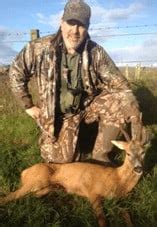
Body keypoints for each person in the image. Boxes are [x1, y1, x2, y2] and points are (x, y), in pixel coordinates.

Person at [9, 0, 143, 163]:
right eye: (71, 23)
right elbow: (16, 71)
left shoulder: (95, 52)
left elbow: (122, 87)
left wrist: (136, 134)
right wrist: (28, 105)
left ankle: (100, 157)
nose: (75, 31)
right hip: (58, 116)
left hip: (86, 107)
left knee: (122, 100)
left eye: (81, 25)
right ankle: (71, 138)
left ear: (87, 28)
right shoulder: (39, 48)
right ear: (61, 23)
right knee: (62, 163)